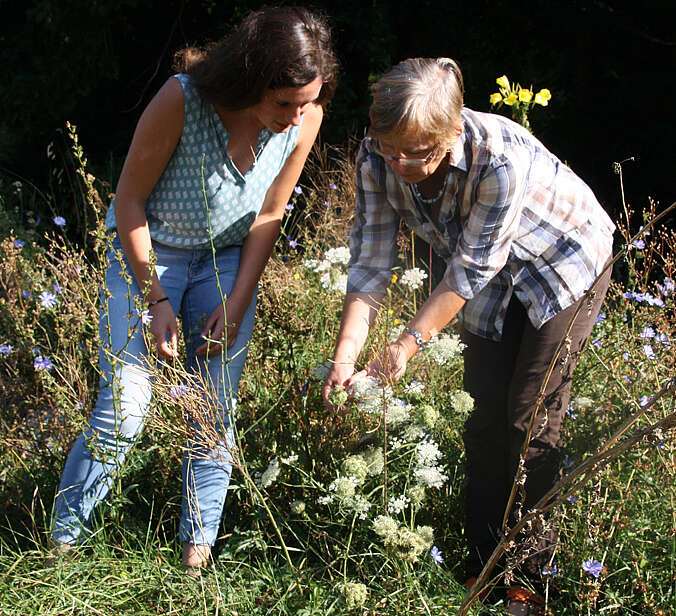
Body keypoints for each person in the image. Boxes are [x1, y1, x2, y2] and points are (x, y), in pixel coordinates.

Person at [323, 58, 614, 614]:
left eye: (418, 151)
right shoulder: (375, 156)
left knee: (528, 418)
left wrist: (405, 345)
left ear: (451, 131)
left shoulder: (498, 159)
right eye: (391, 148)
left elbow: (470, 268)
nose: (401, 163)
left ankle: (528, 584)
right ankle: (482, 562)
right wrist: (347, 352)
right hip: (486, 276)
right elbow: (370, 260)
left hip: (562, 262)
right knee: (481, 417)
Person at [51, 6, 338, 572]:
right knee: (129, 403)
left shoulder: (306, 120)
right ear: (249, 76)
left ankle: (196, 550)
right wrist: (155, 298)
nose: (296, 116)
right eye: (283, 102)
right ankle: (63, 542)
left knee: (214, 406)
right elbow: (128, 202)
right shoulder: (181, 100)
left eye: (307, 101)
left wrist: (238, 300)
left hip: (229, 258)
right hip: (150, 251)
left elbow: (271, 212)